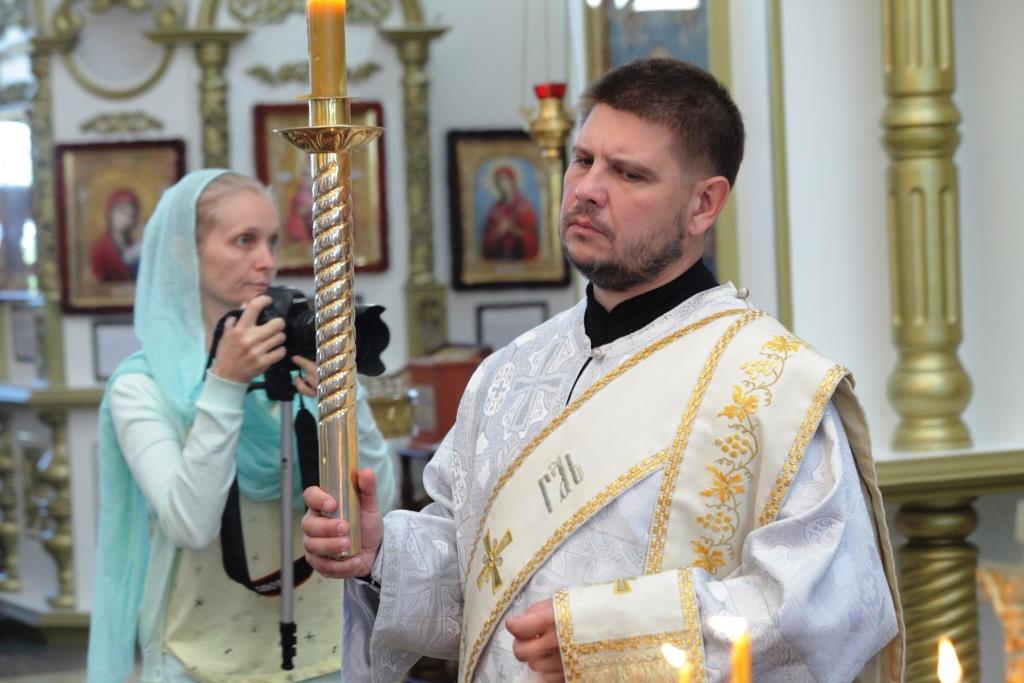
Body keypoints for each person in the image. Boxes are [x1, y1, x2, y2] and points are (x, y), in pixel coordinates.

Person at [302, 58, 904, 682]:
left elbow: (825, 614)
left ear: (704, 204)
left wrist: (613, 640)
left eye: (629, 173)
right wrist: (384, 554)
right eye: (583, 160)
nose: (587, 189)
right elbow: (480, 586)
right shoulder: (510, 373)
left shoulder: (776, 389)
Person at [86, 170, 397, 682]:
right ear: (185, 252)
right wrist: (226, 385)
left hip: (330, 652)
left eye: (271, 240)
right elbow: (190, 526)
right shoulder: (143, 387)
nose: (267, 261)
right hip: (201, 660)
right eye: (243, 240)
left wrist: (346, 399)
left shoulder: (299, 364)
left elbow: (380, 496)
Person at [481, 165, 539, 260]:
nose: (502, 185)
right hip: (499, 256)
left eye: (505, 180)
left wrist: (513, 230)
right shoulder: (495, 209)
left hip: (520, 255)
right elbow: (486, 239)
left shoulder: (525, 206)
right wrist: (499, 231)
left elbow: (532, 235)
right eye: (499, 181)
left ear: (512, 181)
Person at [90, 188, 142, 282]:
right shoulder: (100, 248)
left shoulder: (134, 245)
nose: (127, 220)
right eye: (123, 213)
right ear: (110, 213)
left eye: (131, 215)